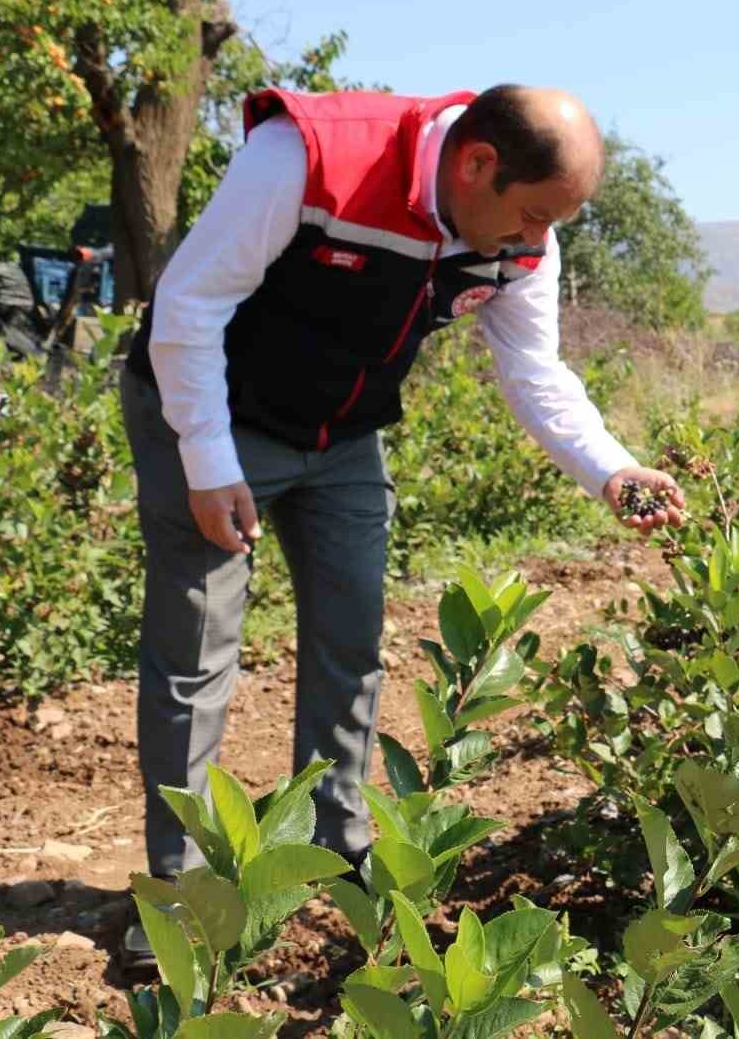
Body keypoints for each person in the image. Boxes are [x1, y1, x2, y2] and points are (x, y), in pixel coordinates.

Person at [117, 84, 684, 969]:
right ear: (476, 164)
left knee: (351, 638)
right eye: (531, 217)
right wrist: (209, 463)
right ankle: (178, 898)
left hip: (341, 436)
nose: (537, 244)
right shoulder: (313, 157)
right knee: (197, 652)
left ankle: (336, 853)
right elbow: (190, 303)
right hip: (210, 411)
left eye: (552, 225)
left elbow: (535, 372)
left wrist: (612, 469)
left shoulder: (523, 238)